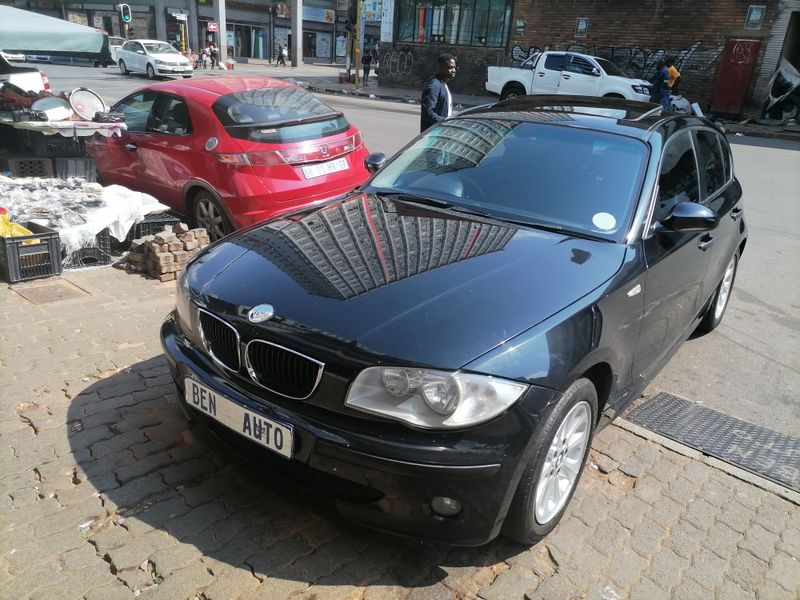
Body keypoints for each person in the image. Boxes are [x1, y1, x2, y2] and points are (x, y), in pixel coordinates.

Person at [420, 53, 456, 133]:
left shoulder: (443, 85)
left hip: (441, 133)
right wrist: (446, 121)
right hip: (432, 136)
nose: (453, 70)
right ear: (441, 68)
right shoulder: (434, 86)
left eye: (454, 68)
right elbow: (427, 113)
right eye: (450, 67)